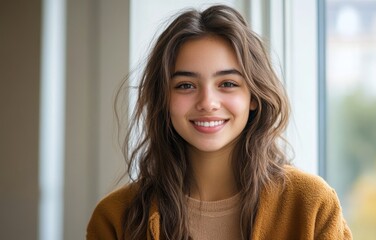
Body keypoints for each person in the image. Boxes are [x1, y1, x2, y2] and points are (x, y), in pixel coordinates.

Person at [86, 4, 352, 240]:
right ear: (163, 98)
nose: (207, 102)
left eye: (227, 83)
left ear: (254, 97)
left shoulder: (312, 204)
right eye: (186, 85)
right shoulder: (114, 217)